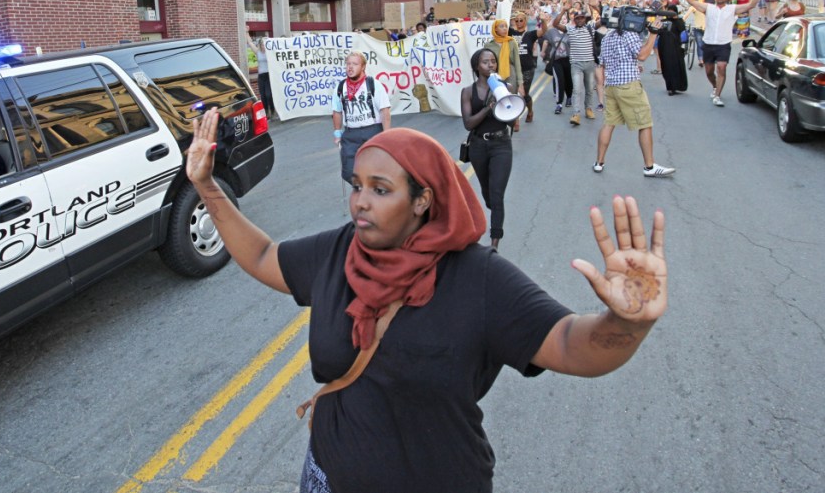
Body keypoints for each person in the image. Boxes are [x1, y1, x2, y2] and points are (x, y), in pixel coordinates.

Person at [186, 108, 668, 493]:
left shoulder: (478, 277)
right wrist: (207, 186)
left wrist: (628, 323)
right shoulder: (340, 251)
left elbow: (568, 345)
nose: (360, 202)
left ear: (422, 200)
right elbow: (265, 255)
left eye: (380, 189)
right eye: (357, 186)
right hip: (327, 477)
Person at [593, 18, 676, 178]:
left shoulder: (608, 36)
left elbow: (605, 62)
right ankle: (649, 166)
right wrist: (653, 34)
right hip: (628, 85)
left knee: (609, 123)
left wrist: (631, 65)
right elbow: (643, 55)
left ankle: (599, 162)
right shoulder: (629, 34)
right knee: (645, 124)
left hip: (611, 85)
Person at [461, 48, 513, 251]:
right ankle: (492, 205)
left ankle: (494, 244)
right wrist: (487, 108)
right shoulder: (468, 92)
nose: (490, 65)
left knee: (497, 194)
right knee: (488, 193)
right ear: (477, 66)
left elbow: (511, 118)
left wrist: (508, 100)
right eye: (485, 62)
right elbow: (468, 123)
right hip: (478, 146)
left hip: (501, 145)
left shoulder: (505, 87)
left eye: (493, 61)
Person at [685, 0, 761, 107]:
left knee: (721, 67)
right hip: (708, 43)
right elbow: (690, 1)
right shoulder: (708, 8)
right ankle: (715, 86)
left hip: (723, 44)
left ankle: (717, 95)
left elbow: (751, 5)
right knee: (709, 71)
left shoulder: (732, 9)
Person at [332, 51, 391, 184]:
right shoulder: (340, 87)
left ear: (363, 67)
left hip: (373, 131)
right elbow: (337, 111)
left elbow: (385, 111)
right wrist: (337, 132)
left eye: (355, 64)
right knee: (348, 172)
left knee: (378, 169)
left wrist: (387, 135)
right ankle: (366, 189)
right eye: (348, 64)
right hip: (351, 133)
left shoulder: (373, 84)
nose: (350, 67)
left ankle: (373, 195)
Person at [553, 2, 597, 126]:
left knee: (589, 89)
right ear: (574, 20)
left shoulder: (591, 27)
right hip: (576, 64)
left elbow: (604, 20)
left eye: (581, 18)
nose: (579, 20)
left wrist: (596, 7)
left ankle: (588, 109)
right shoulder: (570, 29)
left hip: (589, 63)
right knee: (577, 89)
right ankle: (576, 114)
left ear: (585, 18)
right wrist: (563, 10)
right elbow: (555, 24)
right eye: (577, 18)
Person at [484, 18, 525, 133]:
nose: (504, 28)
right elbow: (487, 63)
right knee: (498, 97)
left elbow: (517, 63)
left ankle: (515, 119)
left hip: (510, 73)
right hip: (496, 75)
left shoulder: (511, 42)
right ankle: (500, 121)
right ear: (495, 28)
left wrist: (520, 82)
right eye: (501, 26)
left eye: (506, 26)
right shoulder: (489, 45)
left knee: (511, 97)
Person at [509, 11, 541, 123]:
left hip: (527, 69)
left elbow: (544, 31)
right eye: (516, 20)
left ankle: (530, 111)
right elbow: (498, 24)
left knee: (524, 94)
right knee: (513, 93)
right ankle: (515, 119)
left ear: (525, 21)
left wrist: (544, 21)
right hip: (513, 68)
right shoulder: (511, 33)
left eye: (521, 20)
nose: (518, 22)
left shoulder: (530, 35)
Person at [656, 5, 688, 96]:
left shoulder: (679, 21)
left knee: (675, 66)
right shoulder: (663, 21)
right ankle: (670, 87)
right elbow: (657, 31)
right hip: (664, 46)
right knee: (666, 66)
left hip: (675, 47)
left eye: (672, 12)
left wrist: (676, 18)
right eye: (668, 12)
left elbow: (682, 30)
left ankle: (675, 87)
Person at [249, 32, 276, 119]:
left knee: (268, 95)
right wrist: (246, 32)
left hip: (268, 75)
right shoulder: (258, 52)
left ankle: (272, 110)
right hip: (261, 76)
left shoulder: (270, 52)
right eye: (261, 44)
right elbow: (250, 43)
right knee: (263, 96)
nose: (263, 46)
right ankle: (266, 113)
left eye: (264, 44)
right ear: (260, 45)